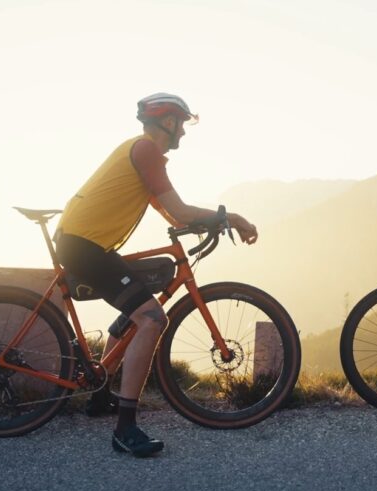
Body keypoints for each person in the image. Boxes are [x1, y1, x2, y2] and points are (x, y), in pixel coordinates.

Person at [55, 92, 258, 457]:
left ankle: (100, 394)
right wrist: (228, 217)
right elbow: (179, 211)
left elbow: (170, 214)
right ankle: (125, 430)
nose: (183, 131)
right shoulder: (146, 151)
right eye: (181, 123)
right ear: (168, 122)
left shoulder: (142, 152)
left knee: (140, 301)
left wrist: (201, 223)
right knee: (151, 318)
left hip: (86, 242)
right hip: (84, 246)